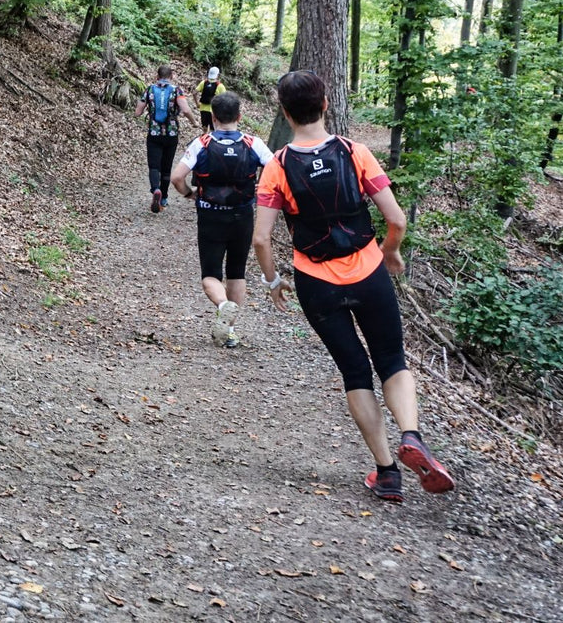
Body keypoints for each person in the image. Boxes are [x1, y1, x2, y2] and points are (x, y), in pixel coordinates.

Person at [252, 69, 455, 504]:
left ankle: (387, 474)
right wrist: (392, 252)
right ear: (326, 104)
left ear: (285, 113)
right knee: (392, 361)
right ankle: (412, 436)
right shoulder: (355, 152)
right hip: (368, 272)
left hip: (315, 281)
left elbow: (261, 238)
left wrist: (273, 281)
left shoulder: (277, 167)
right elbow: (396, 219)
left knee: (355, 372)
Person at [171, 91, 273, 347]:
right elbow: (276, 169)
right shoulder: (253, 143)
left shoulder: (202, 143)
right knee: (237, 272)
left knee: (210, 274)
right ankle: (229, 332)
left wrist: (189, 194)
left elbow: (176, 177)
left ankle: (223, 304)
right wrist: (261, 187)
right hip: (242, 214)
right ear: (239, 116)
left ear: (213, 117)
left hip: (210, 214)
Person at [131, 64, 200, 213]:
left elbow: (138, 111)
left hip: (154, 134)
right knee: (166, 167)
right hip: (171, 134)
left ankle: (156, 189)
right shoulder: (176, 91)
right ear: (171, 77)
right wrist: (194, 122)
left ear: (157, 77)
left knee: (154, 166)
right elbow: (186, 109)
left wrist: (141, 111)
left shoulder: (149, 90)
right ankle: (163, 198)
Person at [197, 66, 226, 131]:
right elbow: (225, 99)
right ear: (218, 75)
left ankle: (204, 139)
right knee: (213, 130)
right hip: (214, 111)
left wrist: (197, 103)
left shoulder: (203, 82)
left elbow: (194, 93)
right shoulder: (220, 86)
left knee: (204, 128)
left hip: (203, 109)